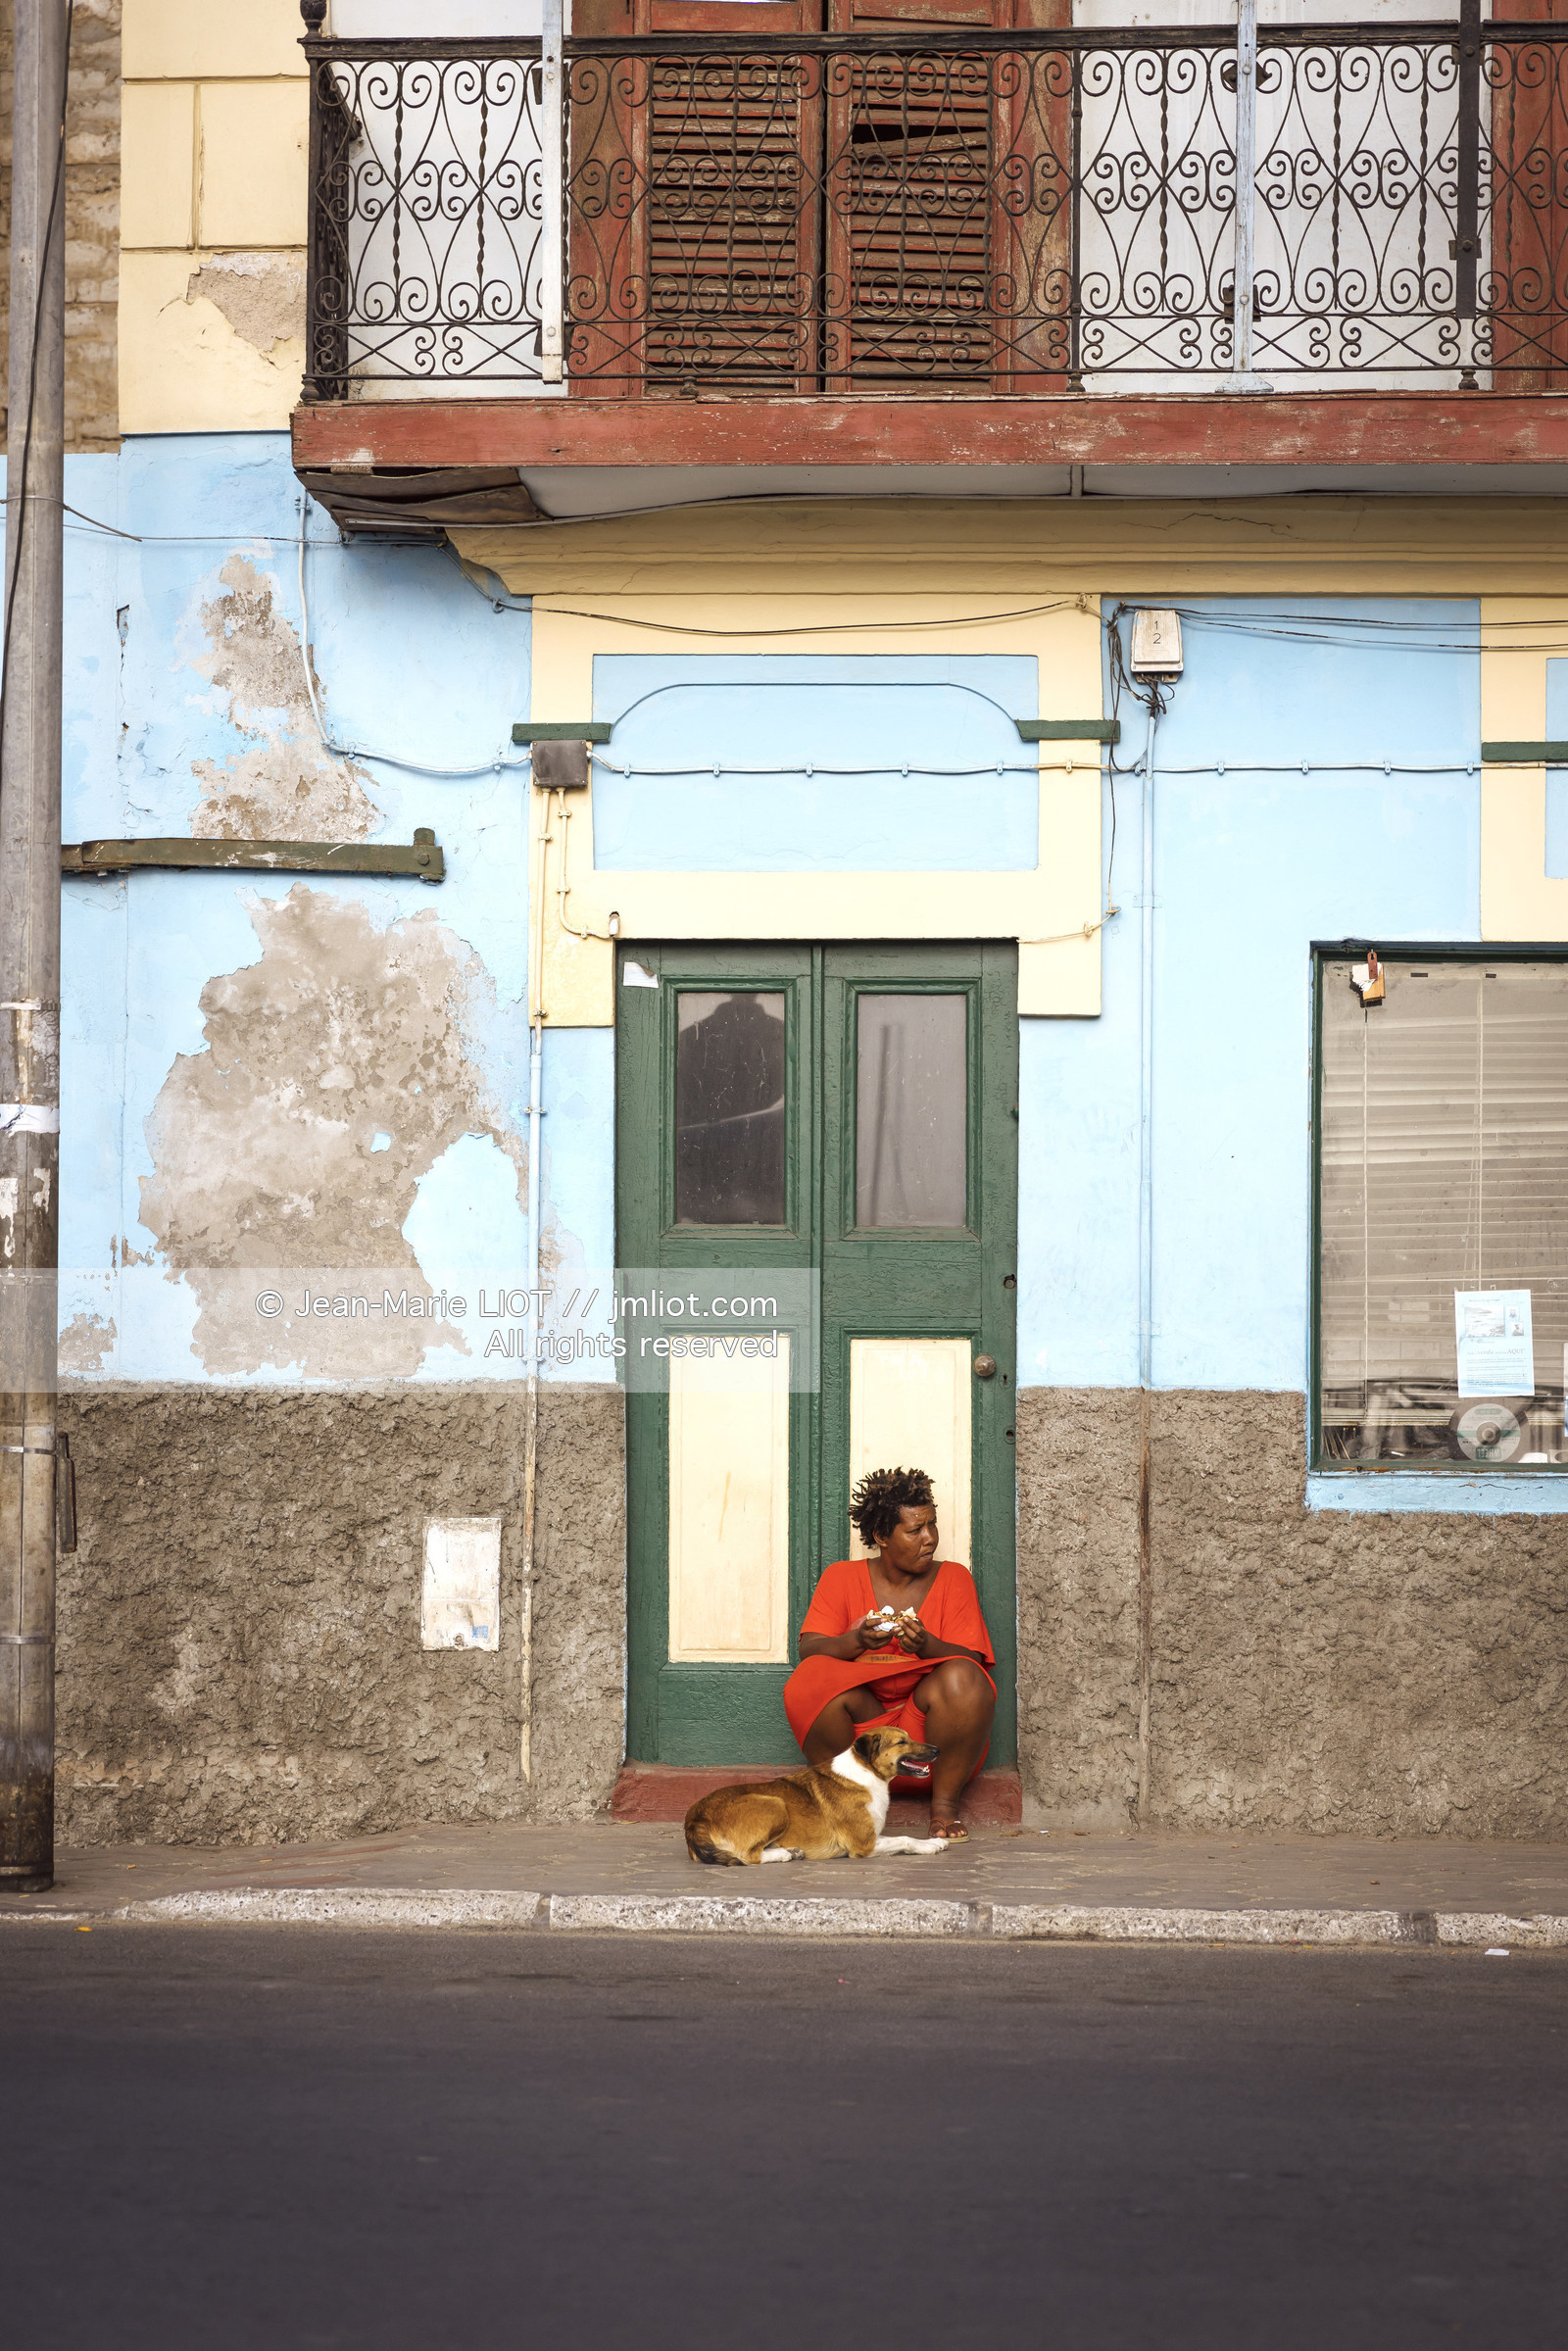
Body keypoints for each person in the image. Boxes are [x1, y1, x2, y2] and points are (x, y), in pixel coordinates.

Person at [782, 1465, 996, 1842]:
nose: (929, 1538)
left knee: (963, 1676)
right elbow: (810, 1650)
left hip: (929, 1737)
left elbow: (974, 1661)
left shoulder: (954, 1578)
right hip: (866, 1735)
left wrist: (928, 1646)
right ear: (881, 1535)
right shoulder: (841, 1577)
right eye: (915, 1530)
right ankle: (844, 1803)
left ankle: (944, 1807)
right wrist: (857, 1640)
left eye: (932, 1525)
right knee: (809, 1680)